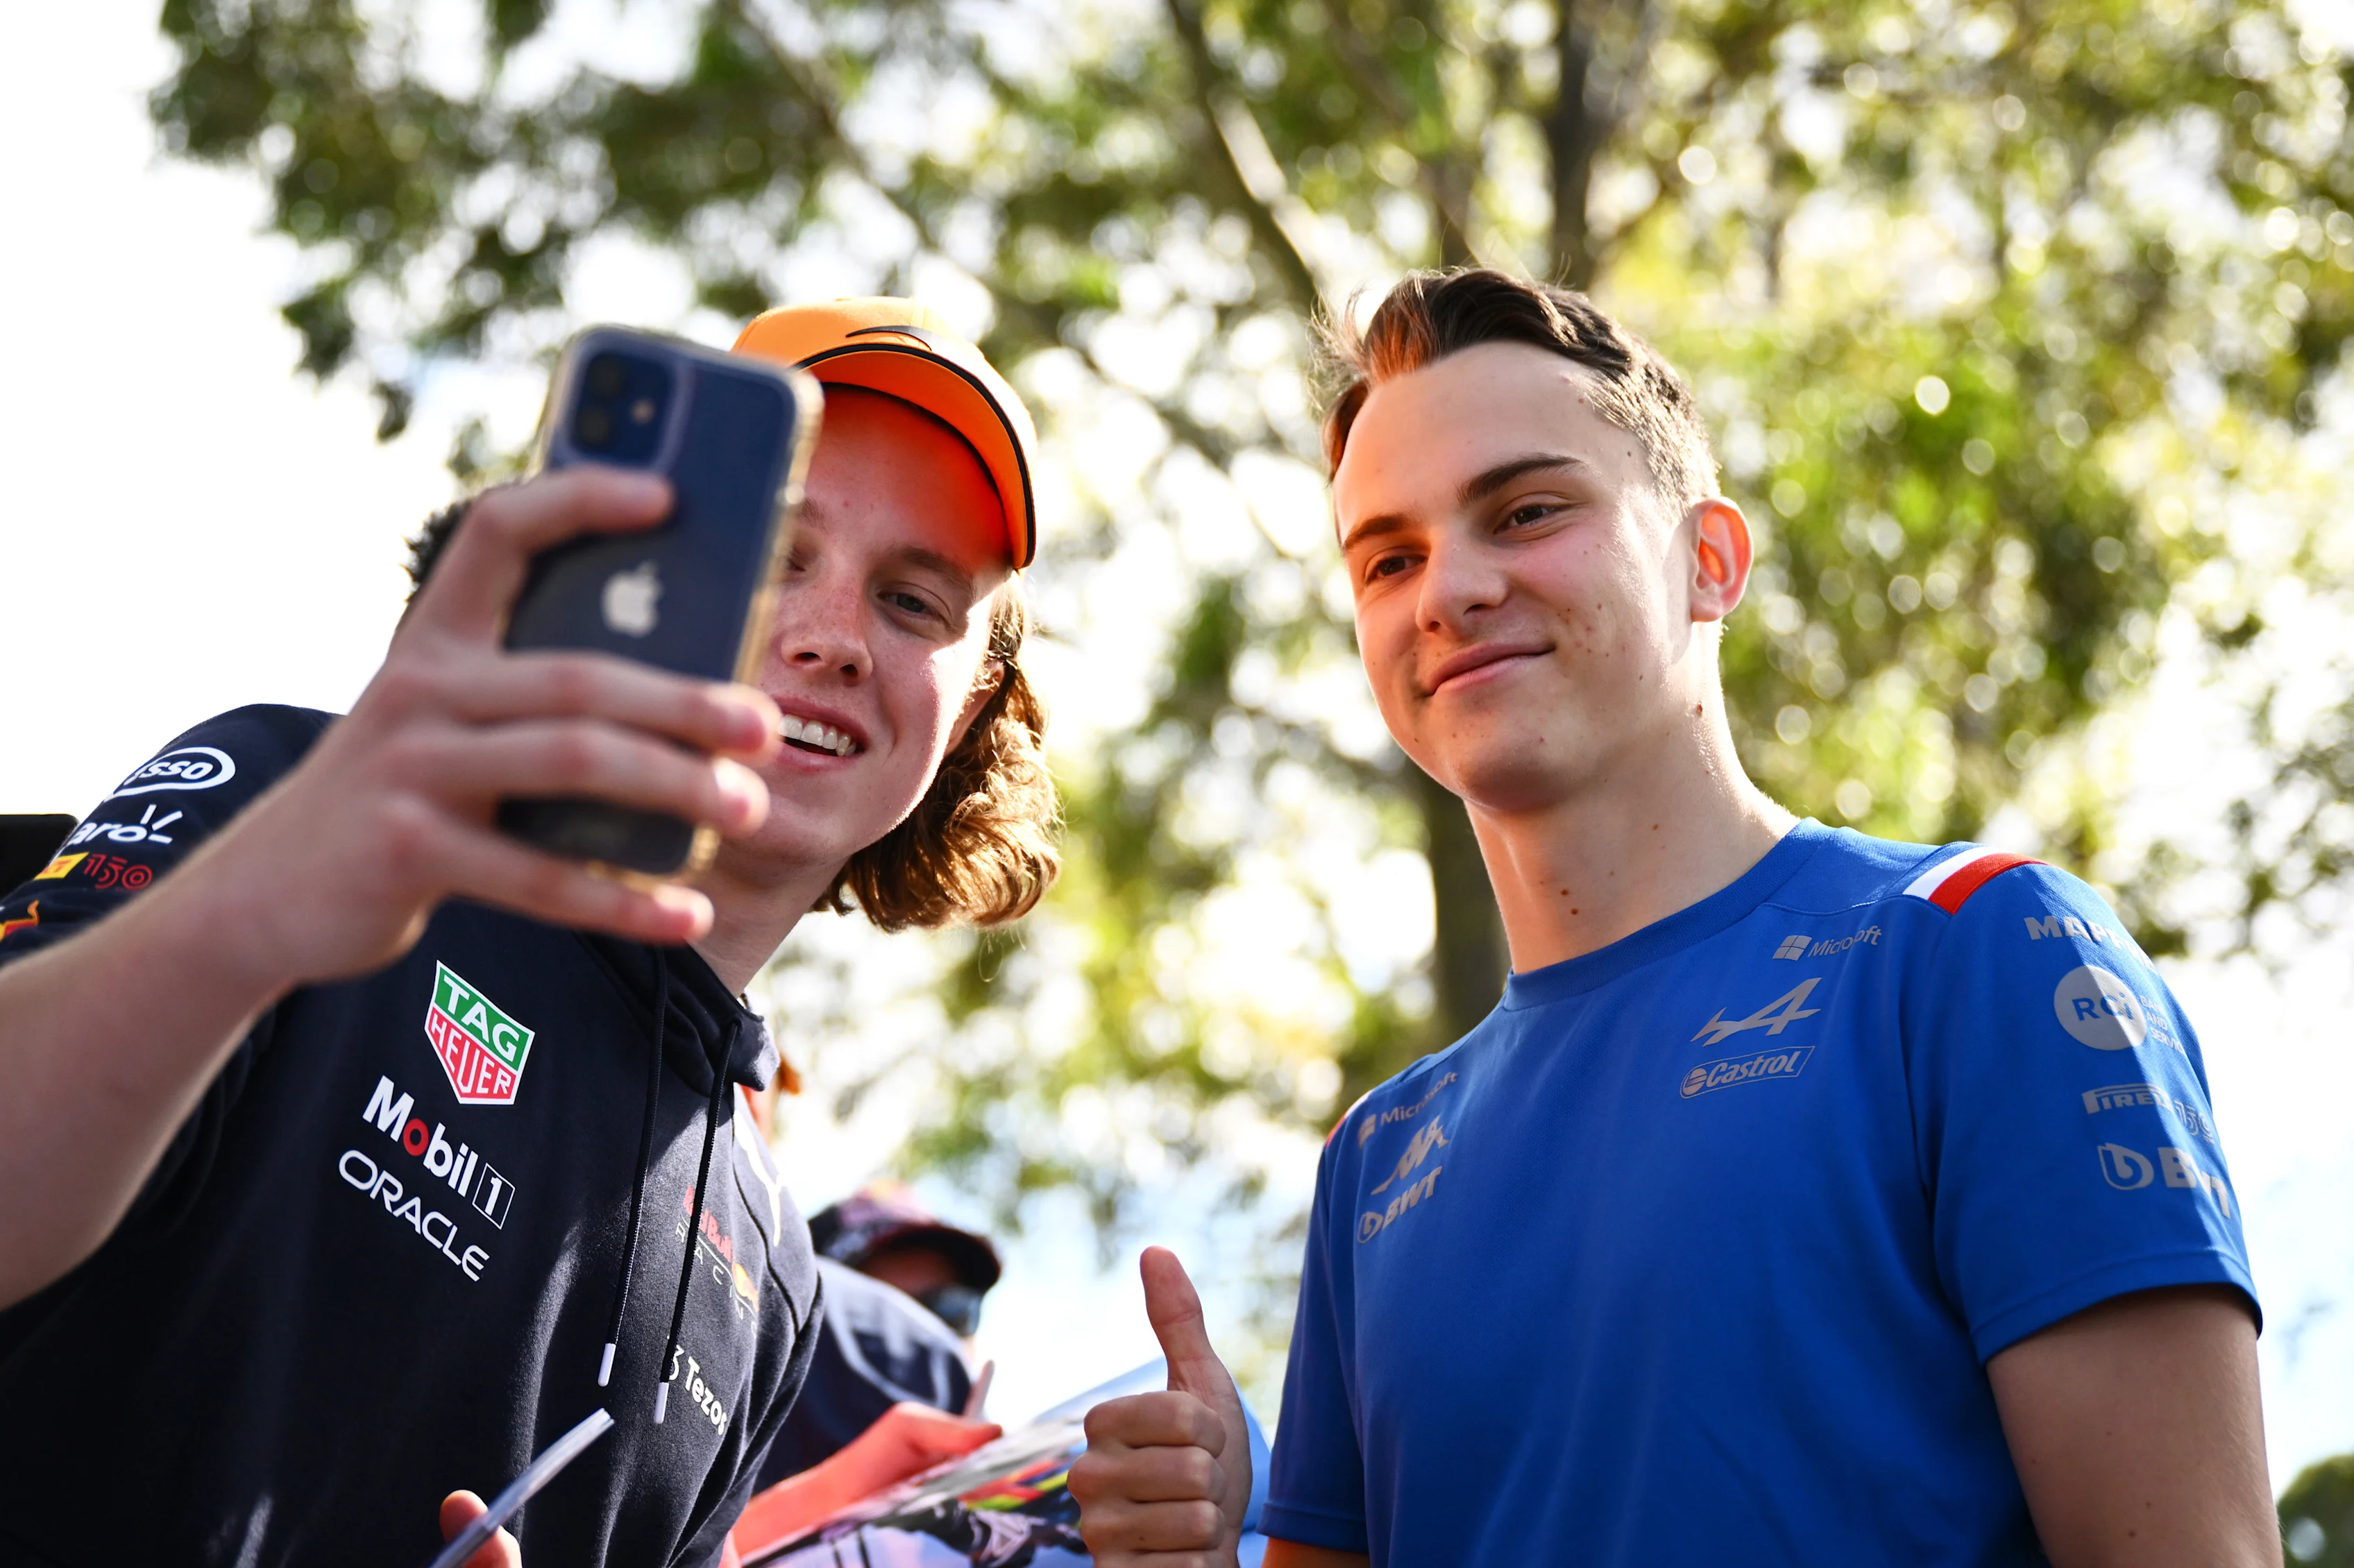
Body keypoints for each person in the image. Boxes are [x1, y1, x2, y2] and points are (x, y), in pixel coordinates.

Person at [1068, 269, 2275, 1568]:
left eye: (1525, 512)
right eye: (1390, 558)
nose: (1449, 591)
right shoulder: (1377, 1155)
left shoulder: (1980, 953)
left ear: (1710, 561)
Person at [0, 299, 1056, 1568]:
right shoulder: (295, 801)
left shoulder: (770, 1272)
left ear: (976, 693)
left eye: (913, 601)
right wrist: (237, 918)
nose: (833, 637)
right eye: (776, 556)